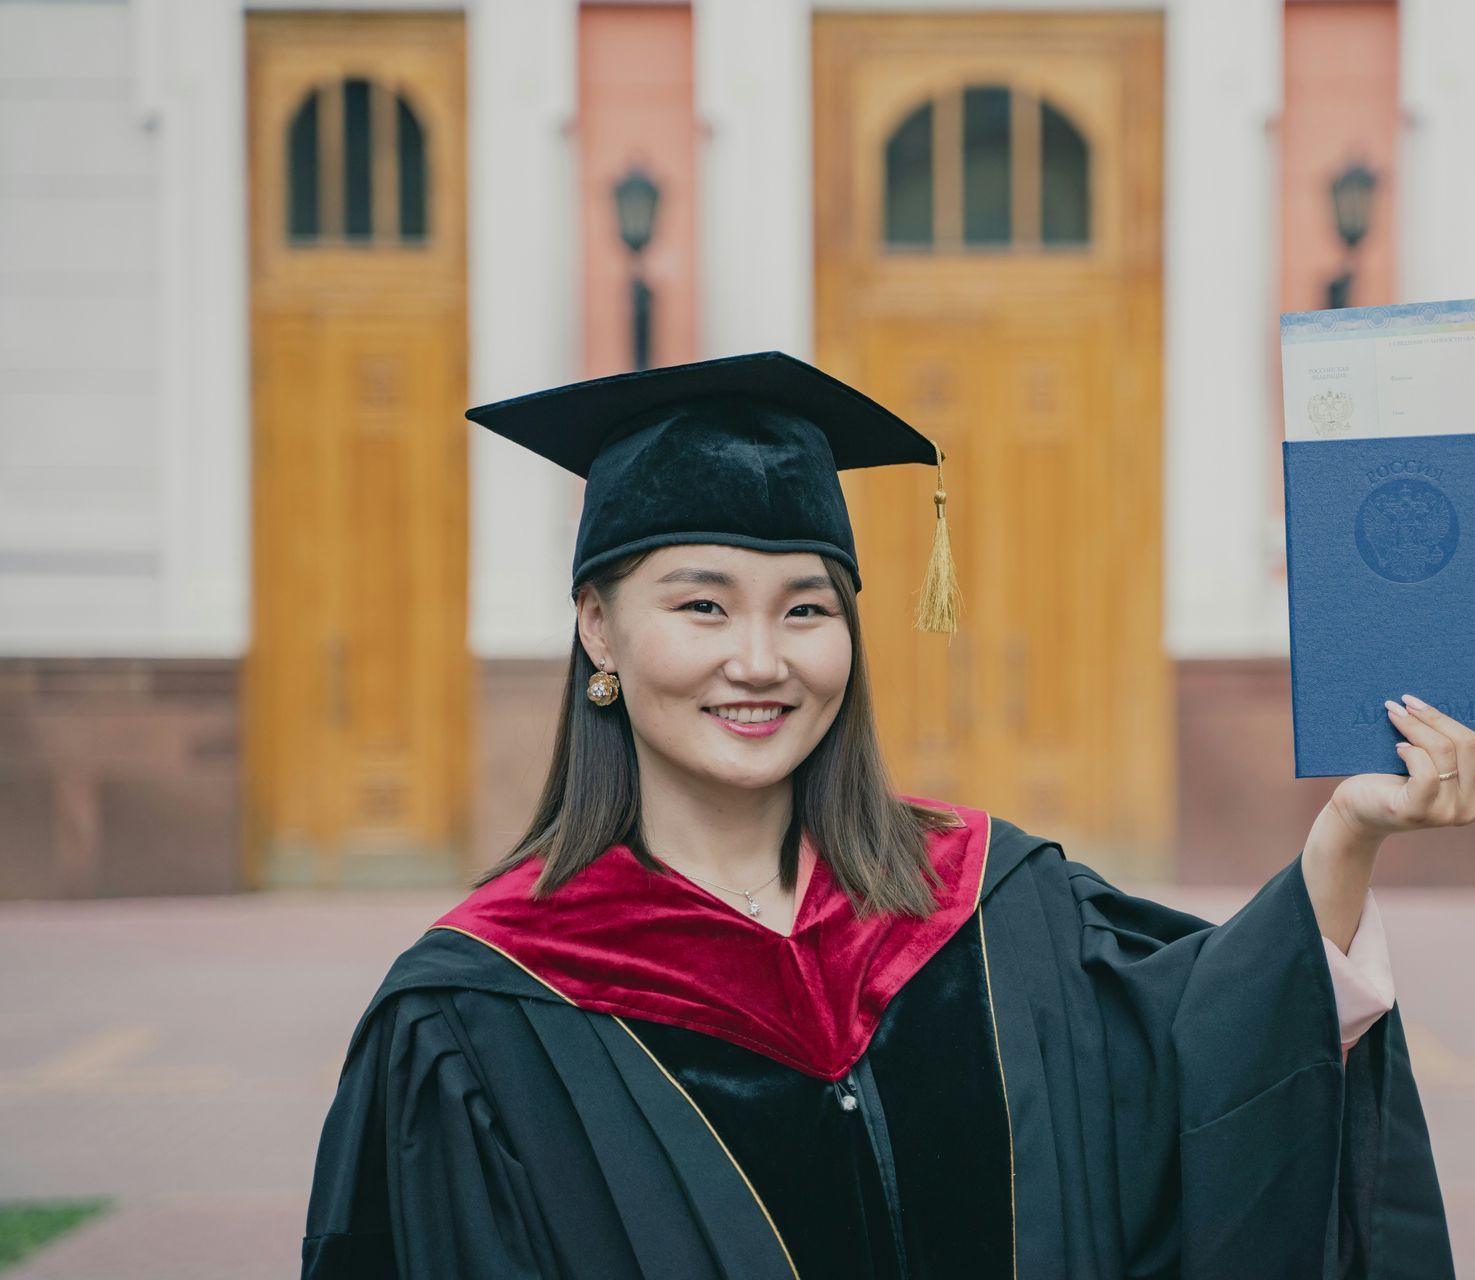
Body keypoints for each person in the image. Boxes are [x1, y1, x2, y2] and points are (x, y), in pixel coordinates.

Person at [300, 351, 1460, 1279]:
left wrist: (1343, 834)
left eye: (804, 607)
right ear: (598, 630)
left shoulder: (987, 901)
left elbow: (1204, 1065)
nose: (758, 659)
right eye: (701, 604)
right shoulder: (478, 1010)